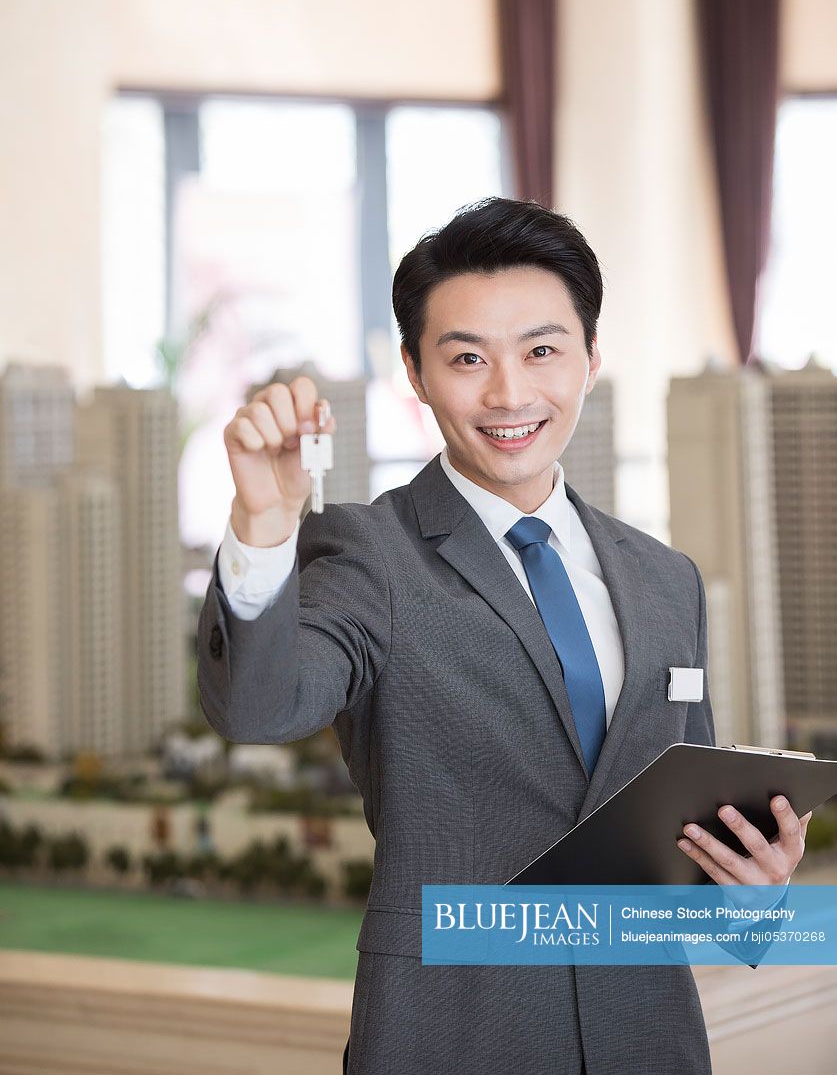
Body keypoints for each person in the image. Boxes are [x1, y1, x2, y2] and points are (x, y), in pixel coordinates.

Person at [197, 197, 810, 1075]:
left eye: (541, 350)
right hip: (447, 1034)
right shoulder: (370, 552)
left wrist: (752, 890)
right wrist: (263, 522)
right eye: (467, 358)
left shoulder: (664, 578)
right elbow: (258, 707)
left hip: (648, 1039)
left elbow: (686, 841)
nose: (509, 393)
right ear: (414, 370)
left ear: (590, 360)